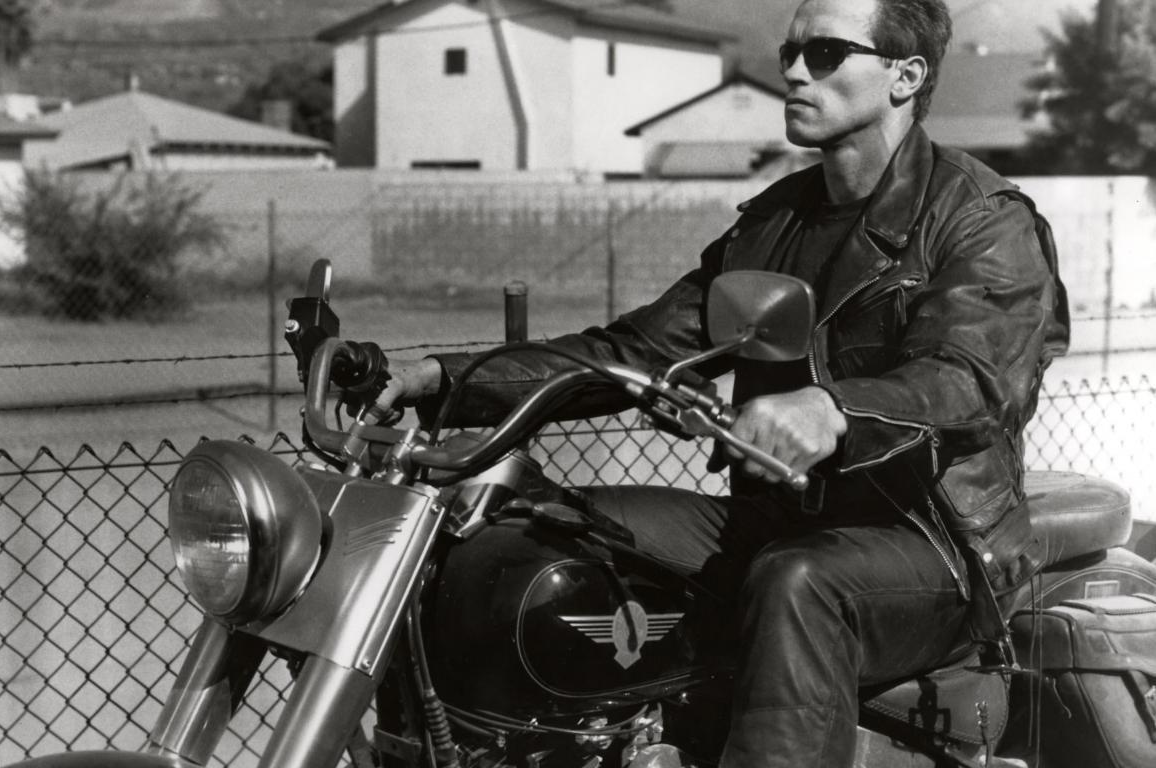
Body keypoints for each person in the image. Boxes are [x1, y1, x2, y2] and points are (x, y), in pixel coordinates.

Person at [376, 0, 1068, 764]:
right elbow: (638, 350)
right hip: (777, 520)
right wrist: (441, 380)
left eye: (826, 53)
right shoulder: (774, 223)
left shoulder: (982, 218)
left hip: (933, 544)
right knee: (535, 528)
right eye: (789, 53)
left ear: (905, 76)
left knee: (801, 581)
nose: (795, 71)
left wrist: (833, 409)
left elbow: (970, 380)